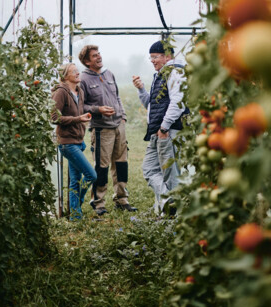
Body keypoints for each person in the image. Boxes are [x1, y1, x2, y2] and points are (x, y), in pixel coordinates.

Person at [78, 45, 137, 215]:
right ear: (87, 61)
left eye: (99, 54)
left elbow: (117, 96)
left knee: (121, 163)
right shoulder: (83, 79)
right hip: (101, 129)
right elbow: (81, 106)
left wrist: (123, 116)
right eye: (94, 56)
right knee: (102, 167)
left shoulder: (109, 74)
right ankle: (98, 202)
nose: (99, 57)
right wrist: (98, 110)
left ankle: (121, 199)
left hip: (119, 125)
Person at [132, 40, 189, 216]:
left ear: (167, 56)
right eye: (151, 58)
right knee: (150, 169)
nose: (152, 61)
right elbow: (152, 105)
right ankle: (168, 202)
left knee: (170, 174)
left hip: (168, 131)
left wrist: (164, 128)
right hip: (158, 131)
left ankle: (175, 215)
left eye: (155, 57)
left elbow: (178, 103)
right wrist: (141, 90)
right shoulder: (162, 74)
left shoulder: (175, 73)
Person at [51, 63, 96, 221]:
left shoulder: (80, 91)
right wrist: (78, 119)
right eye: (74, 72)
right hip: (67, 143)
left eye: (78, 71)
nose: (78, 73)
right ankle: (77, 202)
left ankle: (75, 216)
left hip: (78, 141)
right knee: (91, 175)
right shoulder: (60, 92)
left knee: (75, 180)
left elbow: (81, 113)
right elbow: (54, 118)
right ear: (65, 76)